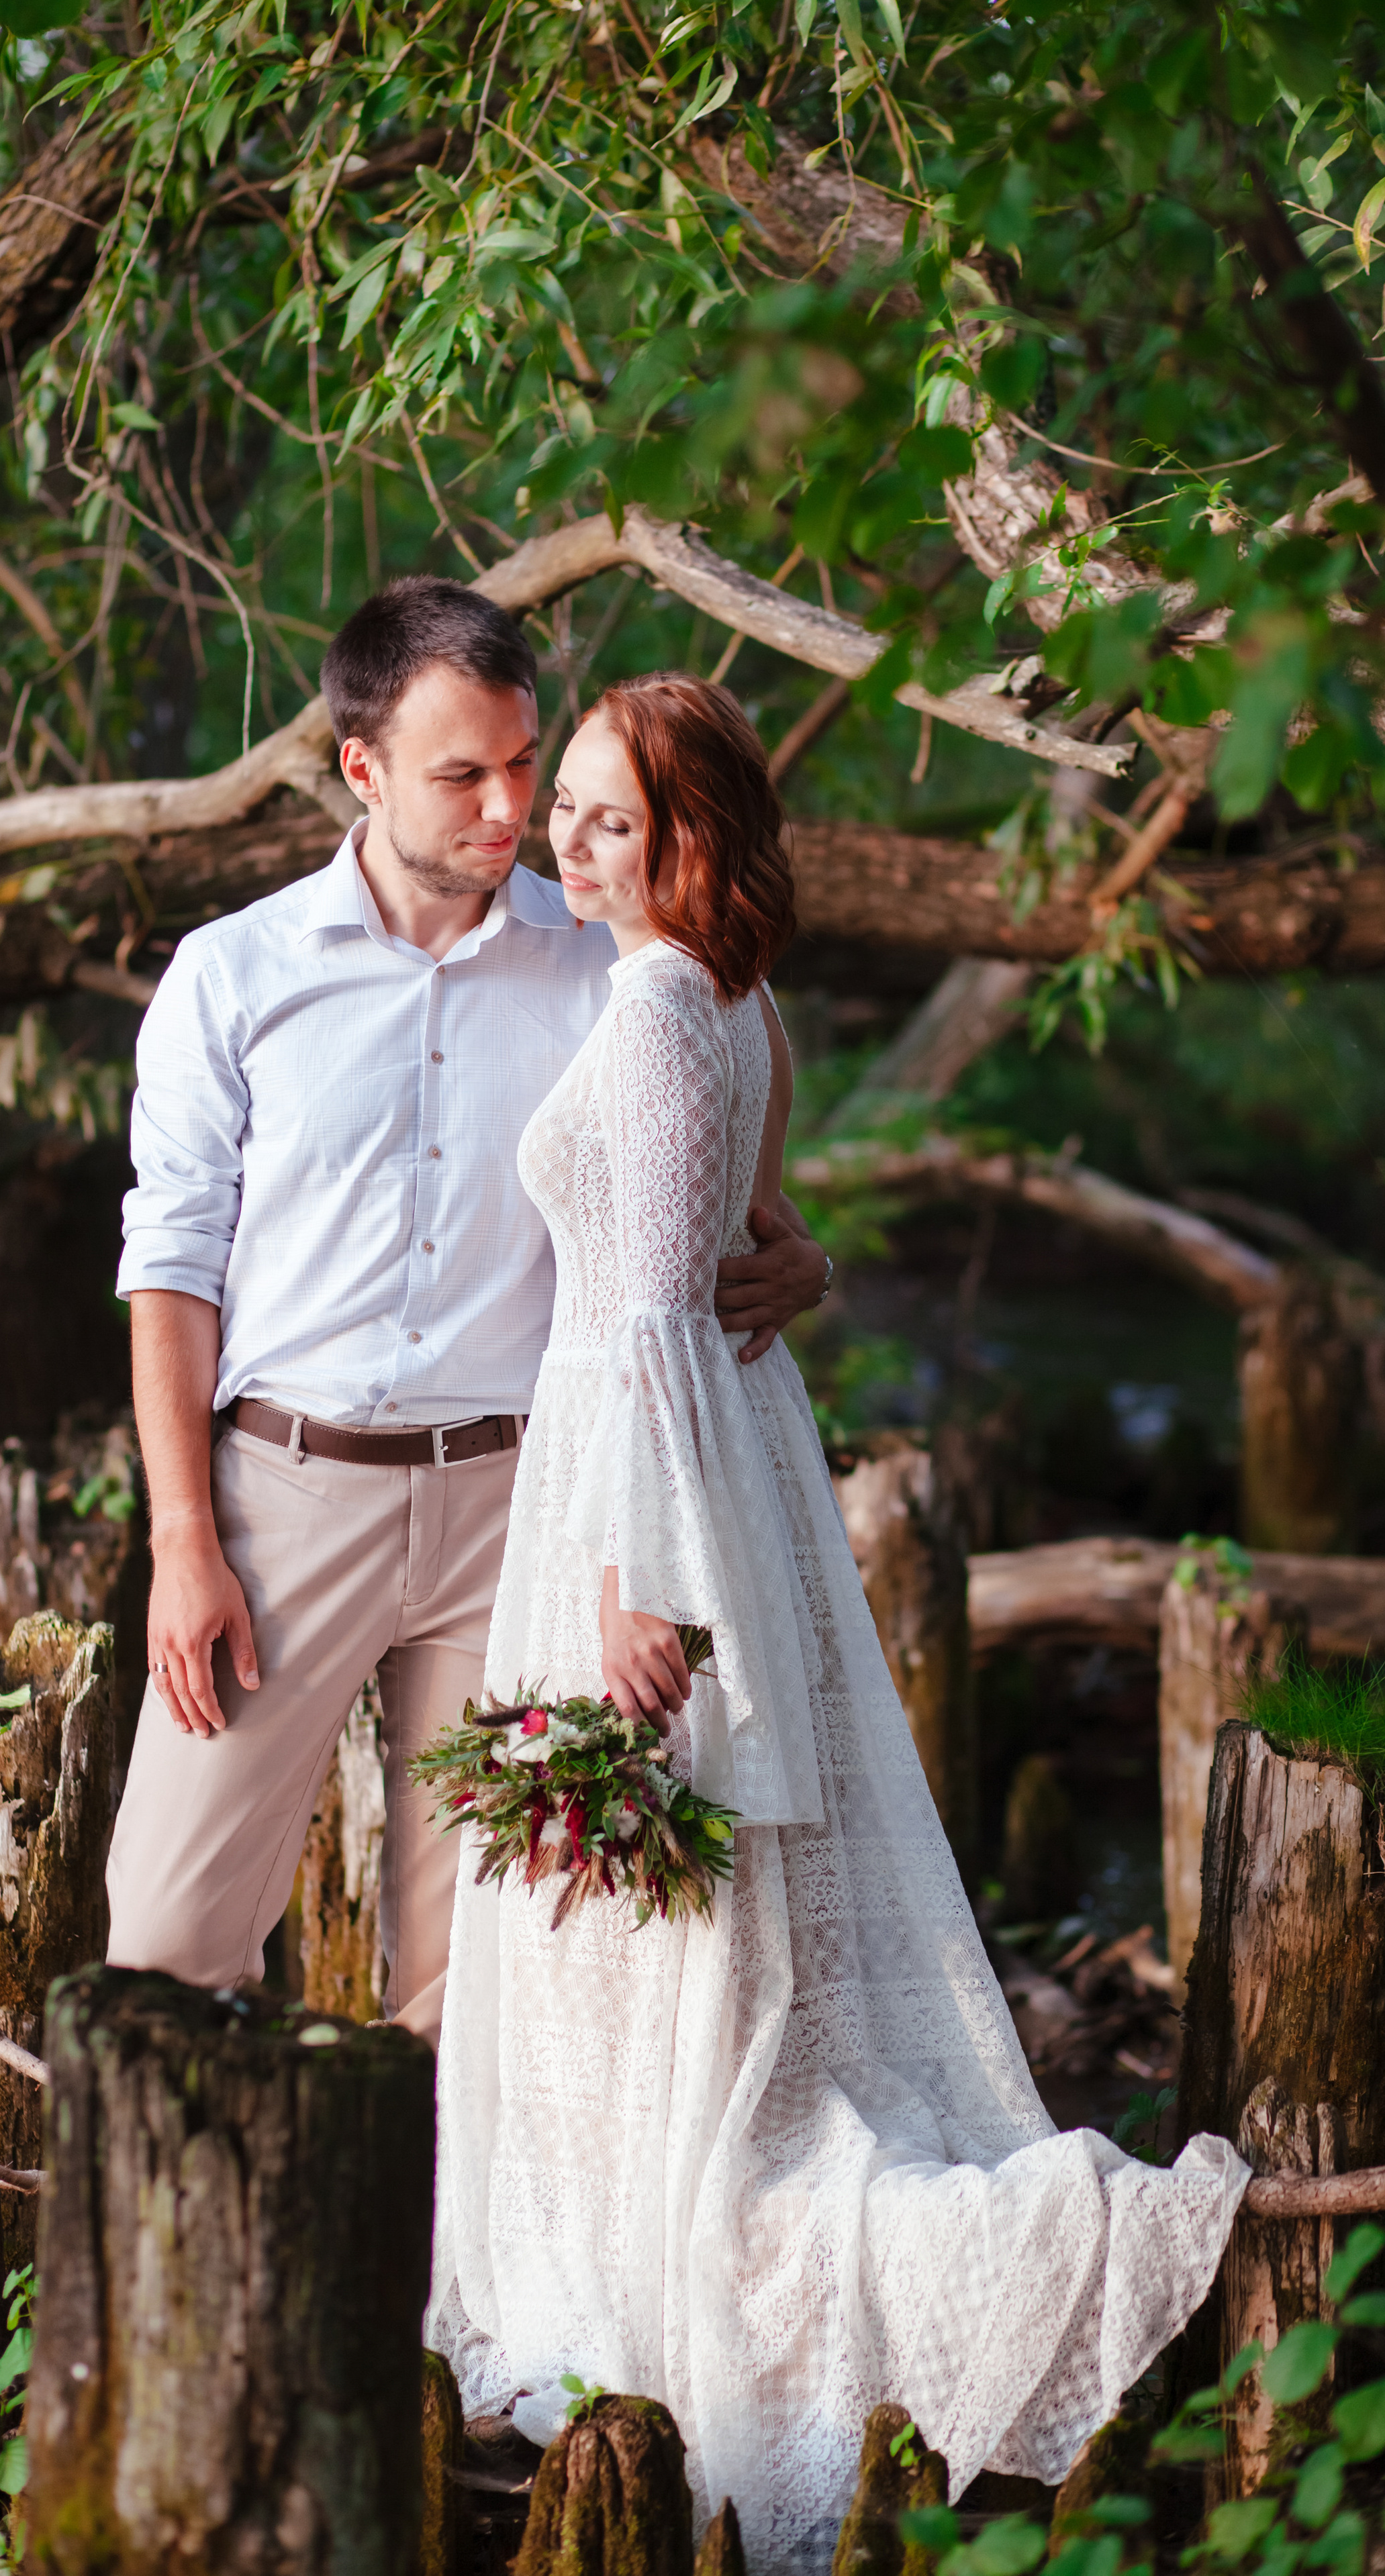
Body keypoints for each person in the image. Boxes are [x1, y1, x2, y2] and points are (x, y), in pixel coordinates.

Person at [426, 674, 1248, 2568]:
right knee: (695, 1909)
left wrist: (629, 1598)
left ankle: (658, 2284)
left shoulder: (652, 1018)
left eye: (608, 820)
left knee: (641, 1904)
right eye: (562, 809)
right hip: (741, 1465)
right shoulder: (744, 1004)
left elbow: (645, 1326)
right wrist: (792, 1276)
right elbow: (766, 1251)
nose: (566, 839)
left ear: (689, 839)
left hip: (643, 1496)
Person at [105, 580, 828, 2040]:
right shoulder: (228, 978)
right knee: (164, 1945)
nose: (512, 809)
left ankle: (435, 2275)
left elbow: (728, 1101)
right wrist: (184, 1542)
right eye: (463, 776)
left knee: (484, 1984)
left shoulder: (612, 955)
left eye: (523, 762)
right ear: (359, 768)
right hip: (283, 1499)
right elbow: (170, 1269)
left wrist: (793, 1248)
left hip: (527, 1509)